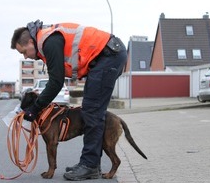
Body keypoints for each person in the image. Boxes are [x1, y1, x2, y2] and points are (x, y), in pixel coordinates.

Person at [11, 20, 127, 181]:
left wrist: (35, 108)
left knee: (92, 111)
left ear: (31, 42)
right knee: (90, 110)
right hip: (106, 57)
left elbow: (56, 82)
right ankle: (91, 163)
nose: (26, 57)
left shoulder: (48, 42)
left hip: (109, 55)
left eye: (24, 51)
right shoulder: (47, 40)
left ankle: (89, 165)